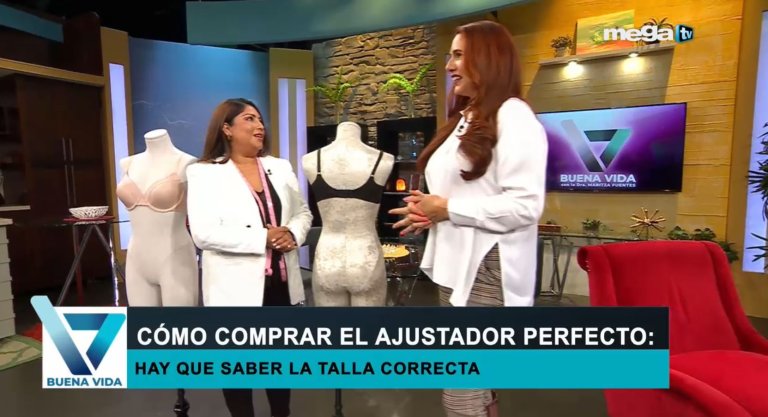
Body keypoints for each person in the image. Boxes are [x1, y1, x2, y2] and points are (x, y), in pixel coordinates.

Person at [388, 20, 548, 417]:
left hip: (486, 265)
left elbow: (525, 206)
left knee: (462, 389)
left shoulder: (514, 116)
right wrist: (432, 213)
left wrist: (447, 210)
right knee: (477, 383)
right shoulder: (469, 115)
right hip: (457, 263)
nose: (449, 66)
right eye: (450, 56)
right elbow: (466, 192)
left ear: (488, 59)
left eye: (459, 55)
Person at [186, 98, 312, 417]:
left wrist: (292, 233)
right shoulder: (203, 173)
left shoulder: (280, 167)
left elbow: (303, 212)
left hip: (280, 288)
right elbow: (203, 233)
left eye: (260, 119)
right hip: (233, 293)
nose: (260, 126)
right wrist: (263, 238)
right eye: (249, 119)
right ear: (227, 129)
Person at [301, 121, 394, 307]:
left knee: (332, 326)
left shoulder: (312, 159)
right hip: (365, 258)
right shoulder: (383, 159)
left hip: (327, 259)